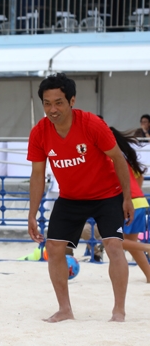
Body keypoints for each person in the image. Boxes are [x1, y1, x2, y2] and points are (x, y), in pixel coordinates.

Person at [27, 73, 133, 323]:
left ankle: (119, 311)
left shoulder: (91, 124)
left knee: (114, 246)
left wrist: (127, 198)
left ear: (72, 100)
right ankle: (65, 309)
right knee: (53, 248)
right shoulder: (40, 132)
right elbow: (37, 174)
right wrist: (31, 213)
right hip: (71, 197)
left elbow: (118, 158)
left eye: (59, 102)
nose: (52, 109)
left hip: (107, 194)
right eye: (47, 103)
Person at [109, 126, 150, 281]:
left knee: (115, 242)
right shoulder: (125, 158)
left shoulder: (110, 159)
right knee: (131, 243)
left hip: (129, 203)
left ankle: (148, 247)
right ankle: (149, 274)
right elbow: (139, 178)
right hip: (141, 201)